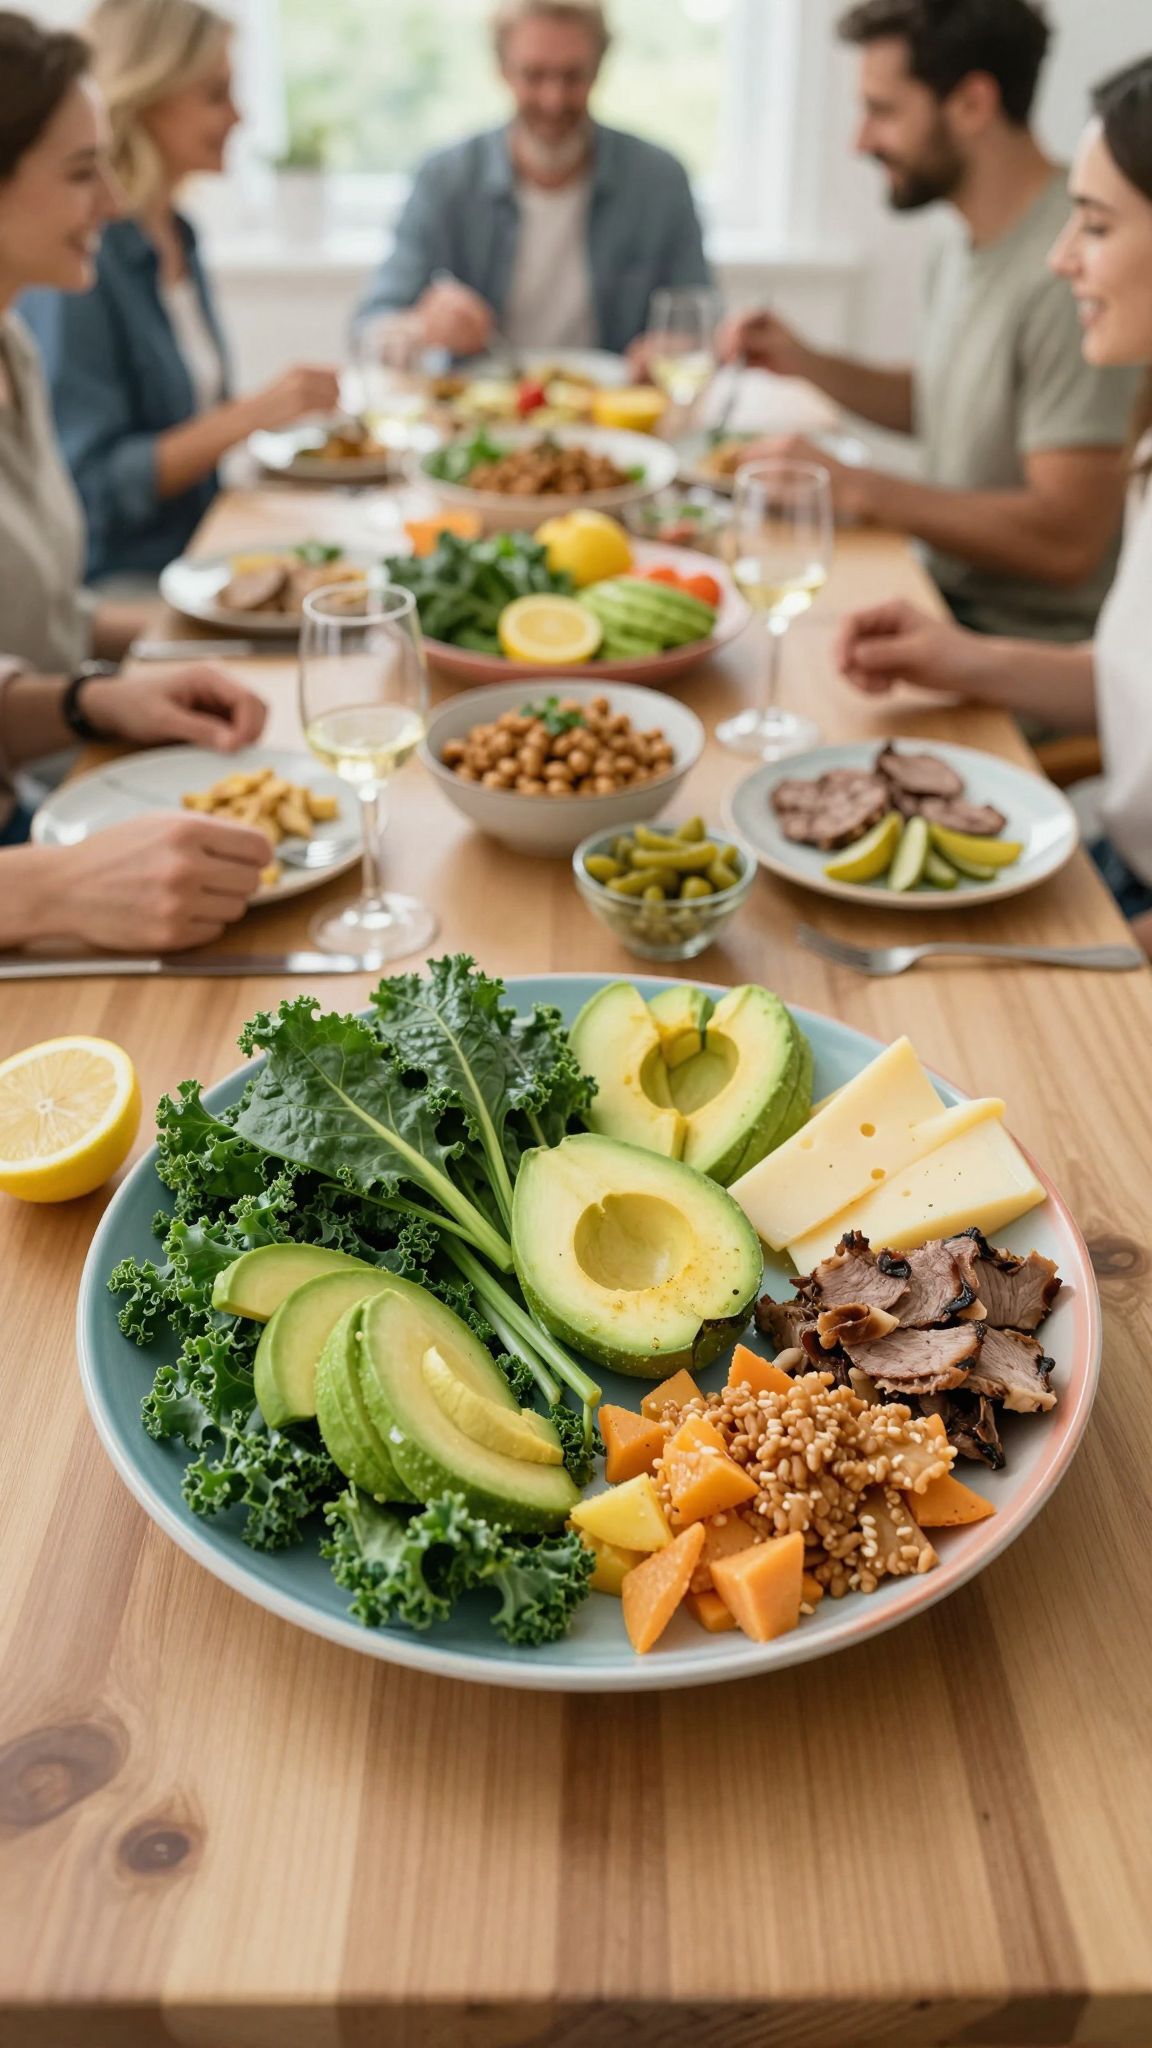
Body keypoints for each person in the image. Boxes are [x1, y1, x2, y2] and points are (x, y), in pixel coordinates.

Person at [836, 54, 1152, 956]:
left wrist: (1113, 948)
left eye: (1093, 225)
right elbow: (1137, 682)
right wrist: (959, 657)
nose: (1062, 258)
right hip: (1119, 875)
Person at [718, 0, 1143, 646]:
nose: (860, 141)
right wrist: (805, 362)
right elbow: (954, 401)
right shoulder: (961, 240)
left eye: (883, 111)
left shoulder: (1075, 277)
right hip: (938, 602)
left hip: (1017, 646)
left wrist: (859, 488)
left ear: (972, 104)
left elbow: (1066, 541)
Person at [0, 11, 271, 951]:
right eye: (81, 172)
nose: (113, 201)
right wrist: (40, 893)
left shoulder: (14, 350)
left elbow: (25, 636)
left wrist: (93, 695)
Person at [21, 0, 340, 585]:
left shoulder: (178, 235)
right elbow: (94, 489)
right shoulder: (82, 266)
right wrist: (251, 415)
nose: (239, 116)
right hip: (128, 581)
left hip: (200, 552)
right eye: (215, 95)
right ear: (147, 100)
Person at [355, 0, 711, 361]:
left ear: (599, 69)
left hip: (614, 412)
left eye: (573, 76)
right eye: (534, 75)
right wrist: (421, 327)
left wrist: (677, 348)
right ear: (502, 70)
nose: (553, 100)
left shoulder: (659, 180)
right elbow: (369, 327)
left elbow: (702, 319)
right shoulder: (445, 179)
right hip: (478, 409)